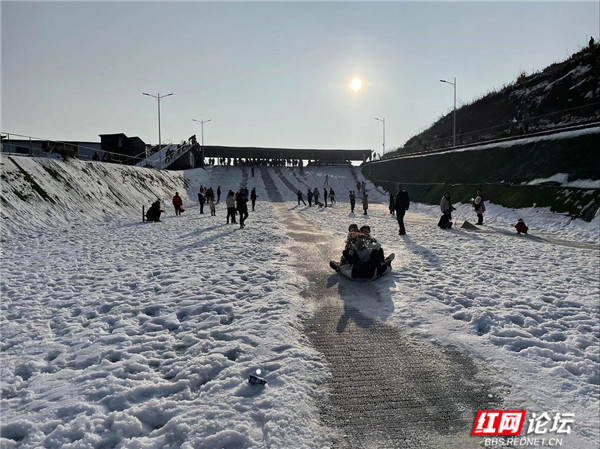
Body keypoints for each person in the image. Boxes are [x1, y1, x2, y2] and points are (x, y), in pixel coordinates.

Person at [329, 224, 395, 280]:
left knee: (378, 251)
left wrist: (375, 248)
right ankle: (339, 267)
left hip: (368, 257)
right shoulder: (352, 238)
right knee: (348, 253)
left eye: (366, 231)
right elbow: (348, 248)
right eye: (352, 230)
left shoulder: (371, 239)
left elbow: (375, 245)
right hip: (356, 259)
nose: (365, 232)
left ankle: (384, 263)